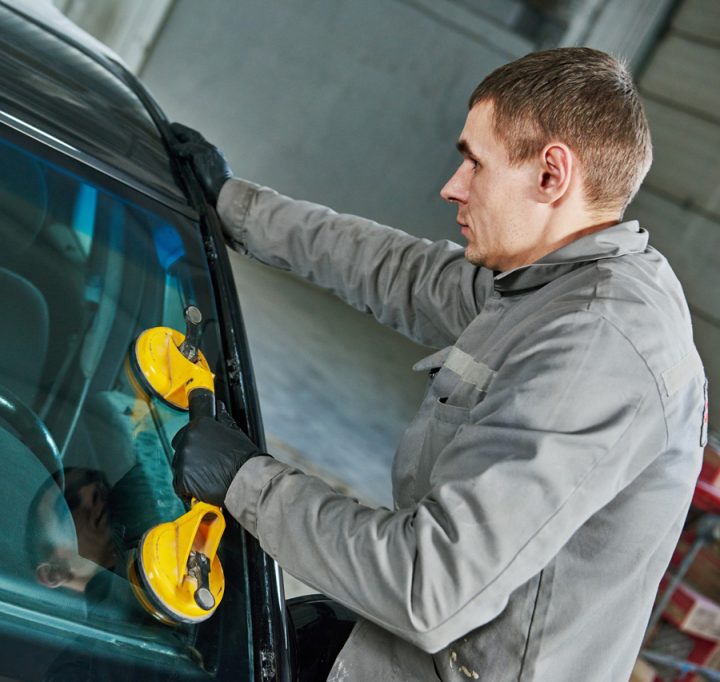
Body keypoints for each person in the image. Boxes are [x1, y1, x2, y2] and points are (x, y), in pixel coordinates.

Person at [170, 47, 708, 681]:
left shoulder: (596, 348)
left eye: (475, 162)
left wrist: (245, 478)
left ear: (551, 175)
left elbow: (428, 585)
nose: (452, 186)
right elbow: (397, 270)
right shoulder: (555, 284)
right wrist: (237, 205)